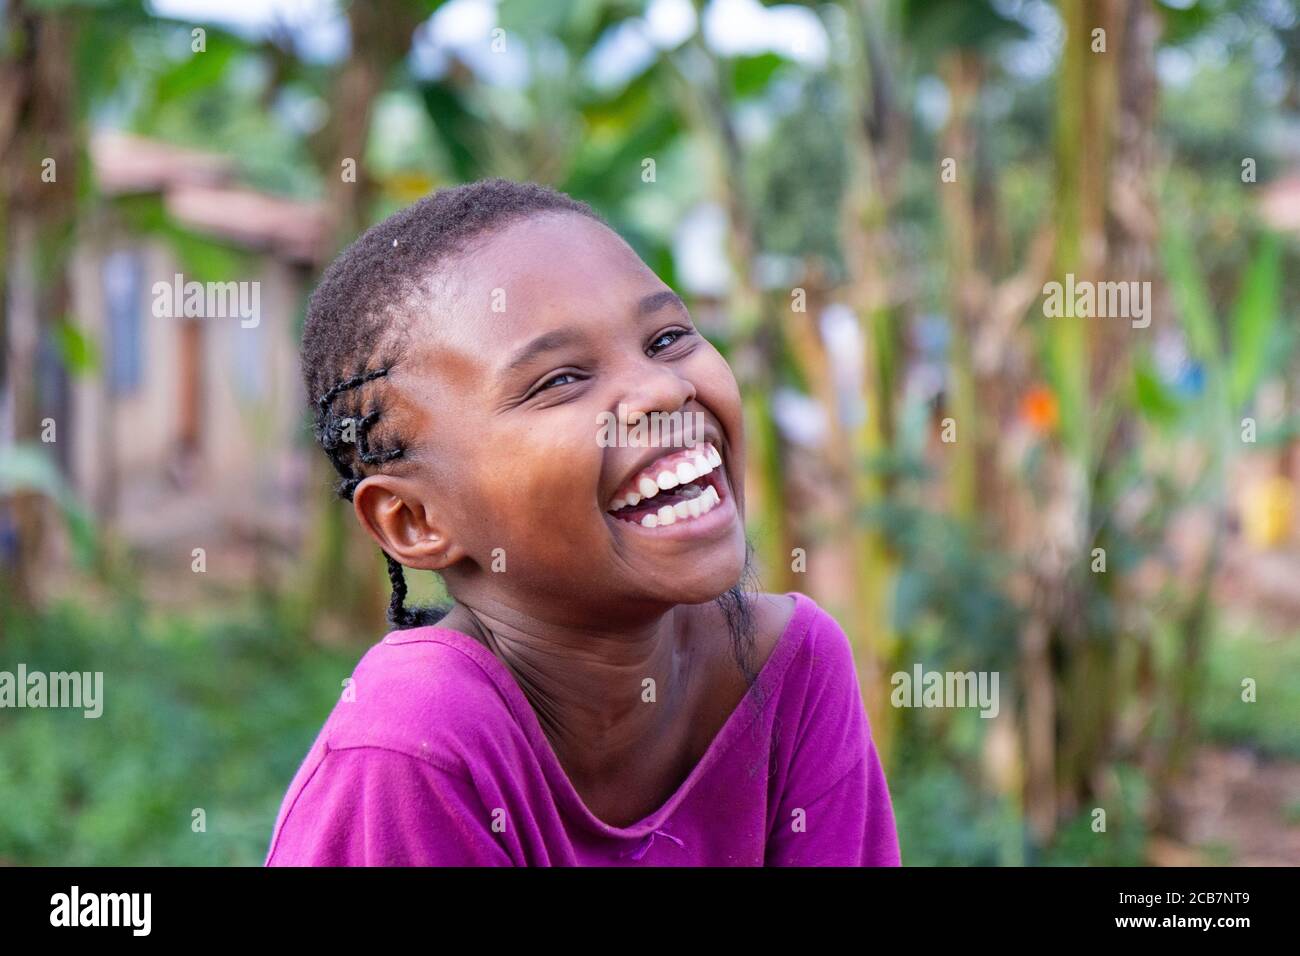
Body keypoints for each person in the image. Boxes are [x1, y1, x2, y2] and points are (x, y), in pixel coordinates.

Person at [265, 180, 900, 866]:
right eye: (561, 379)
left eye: (667, 338)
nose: (664, 390)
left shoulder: (792, 670)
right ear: (414, 518)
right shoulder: (411, 747)